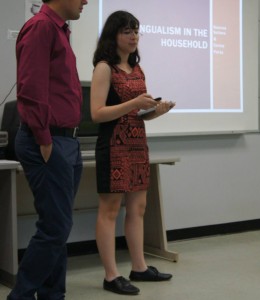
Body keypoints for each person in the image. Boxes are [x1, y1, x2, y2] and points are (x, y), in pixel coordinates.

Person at [90, 10, 175, 296]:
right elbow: (97, 113)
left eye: (136, 31)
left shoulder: (137, 70)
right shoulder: (104, 67)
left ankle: (139, 267)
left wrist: (156, 111)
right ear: (113, 35)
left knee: (138, 208)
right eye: (127, 31)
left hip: (137, 145)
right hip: (113, 146)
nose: (134, 36)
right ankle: (110, 275)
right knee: (110, 210)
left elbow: (139, 114)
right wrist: (133, 103)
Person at [7, 0, 88, 299]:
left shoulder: (60, 31)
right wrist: (44, 139)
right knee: (55, 227)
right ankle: (22, 295)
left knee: (58, 227)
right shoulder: (41, 27)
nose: (86, 1)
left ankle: (53, 295)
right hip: (48, 139)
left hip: (67, 141)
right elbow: (30, 88)